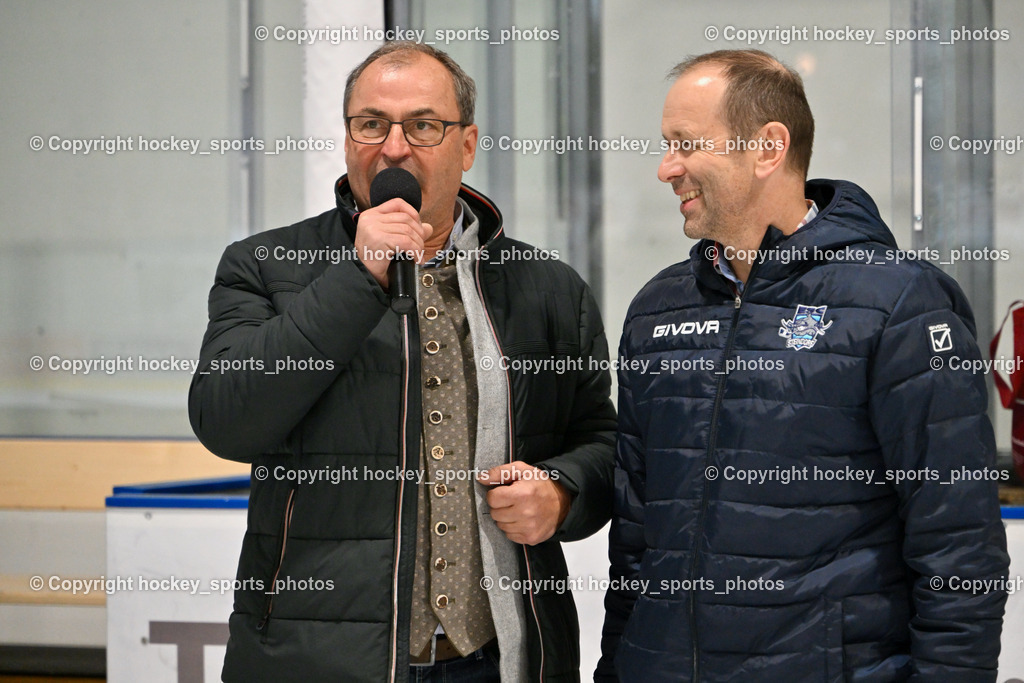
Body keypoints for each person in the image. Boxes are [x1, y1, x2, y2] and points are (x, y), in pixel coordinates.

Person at [189, 41, 615, 682]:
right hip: (322, 662)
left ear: (466, 145)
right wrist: (356, 278)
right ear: (346, 139)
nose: (393, 147)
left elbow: (603, 441)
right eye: (371, 125)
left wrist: (564, 491)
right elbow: (226, 421)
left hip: (497, 658)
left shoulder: (546, 288)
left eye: (422, 125)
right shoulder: (266, 267)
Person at [597, 49, 1009, 682]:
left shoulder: (899, 302)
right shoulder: (657, 309)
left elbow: (958, 541)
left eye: (686, 144)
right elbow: (634, 538)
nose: (665, 168)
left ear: (767, 148)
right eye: (665, 144)